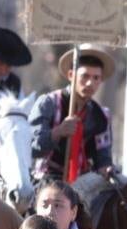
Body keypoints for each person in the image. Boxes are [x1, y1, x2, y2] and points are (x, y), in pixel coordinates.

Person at [29, 44, 116, 182]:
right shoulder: (48, 103)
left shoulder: (102, 116)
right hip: (47, 178)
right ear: (71, 75)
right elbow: (32, 148)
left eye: (96, 78)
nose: (89, 83)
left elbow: (103, 156)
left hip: (85, 181)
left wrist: (106, 167)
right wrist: (58, 132)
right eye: (85, 76)